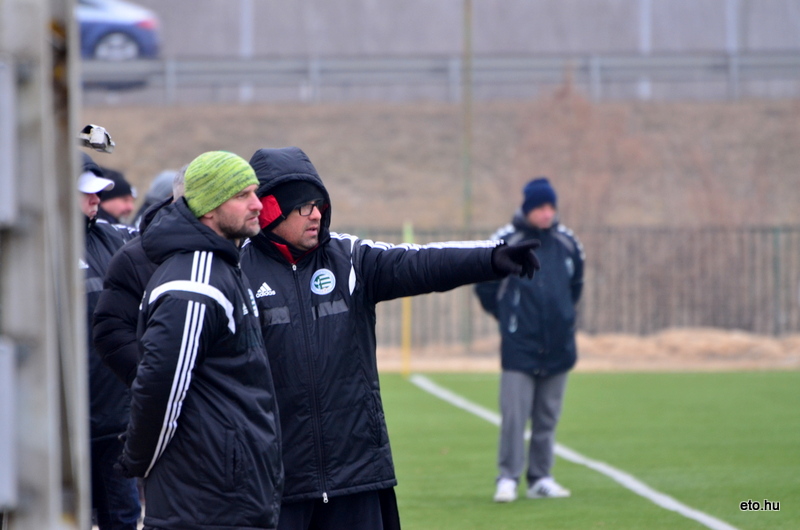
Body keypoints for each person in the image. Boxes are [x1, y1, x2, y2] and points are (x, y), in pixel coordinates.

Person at [240, 146, 540, 530]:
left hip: (357, 475)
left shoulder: (349, 258)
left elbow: (420, 261)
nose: (317, 214)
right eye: (303, 207)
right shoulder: (236, 271)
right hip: (276, 483)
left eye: (319, 203)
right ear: (269, 210)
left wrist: (490, 259)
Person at [117, 151, 283, 529]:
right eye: (243, 195)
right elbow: (161, 388)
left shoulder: (221, 265)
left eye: (255, 192)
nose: (258, 204)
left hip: (224, 494)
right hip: (206, 501)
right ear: (208, 208)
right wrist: (140, 460)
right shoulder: (196, 280)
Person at [475, 177, 584, 503]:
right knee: (513, 417)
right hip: (519, 345)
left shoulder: (568, 242)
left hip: (559, 346)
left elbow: (576, 286)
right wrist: (509, 318)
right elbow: (485, 285)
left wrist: (564, 319)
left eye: (551, 207)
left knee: (547, 417)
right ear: (527, 208)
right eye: (541, 207)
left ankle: (541, 478)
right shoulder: (507, 240)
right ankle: (507, 477)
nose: (547, 213)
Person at [79, 152, 141, 530]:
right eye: (84, 193)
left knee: (123, 518)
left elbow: (161, 233)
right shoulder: (30, 253)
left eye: (97, 192)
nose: (95, 200)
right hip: (61, 429)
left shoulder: (116, 238)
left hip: (116, 422)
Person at [94, 167, 186, 387]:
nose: (129, 207)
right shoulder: (131, 250)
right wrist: (153, 380)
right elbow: (113, 332)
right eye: (123, 199)